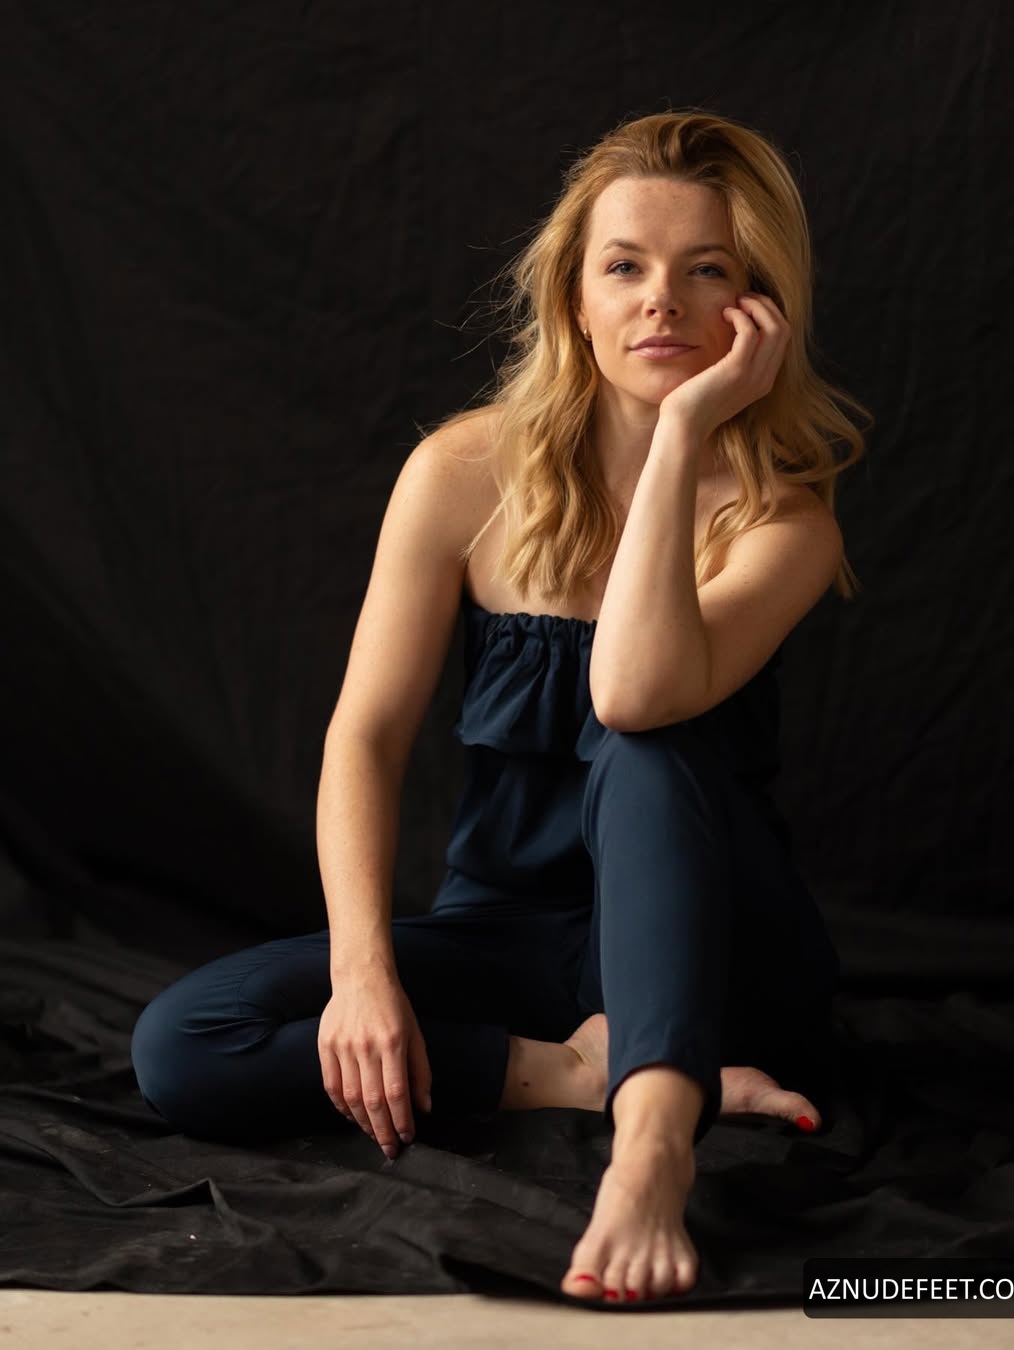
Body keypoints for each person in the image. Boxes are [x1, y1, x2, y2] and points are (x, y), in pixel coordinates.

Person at [131, 108, 869, 1306]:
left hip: (719, 957)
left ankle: (652, 1150)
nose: (660, 303)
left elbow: (630, 691)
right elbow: (365, 736)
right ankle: (578, 1076)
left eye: (706, 271)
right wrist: (365, 975)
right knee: (187, 1042)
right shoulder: (465, 474)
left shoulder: (783, 520)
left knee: (643, 744)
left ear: (758, 307)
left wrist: (685, 429)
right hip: (509, 936)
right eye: (623, 267)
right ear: (574, 296)